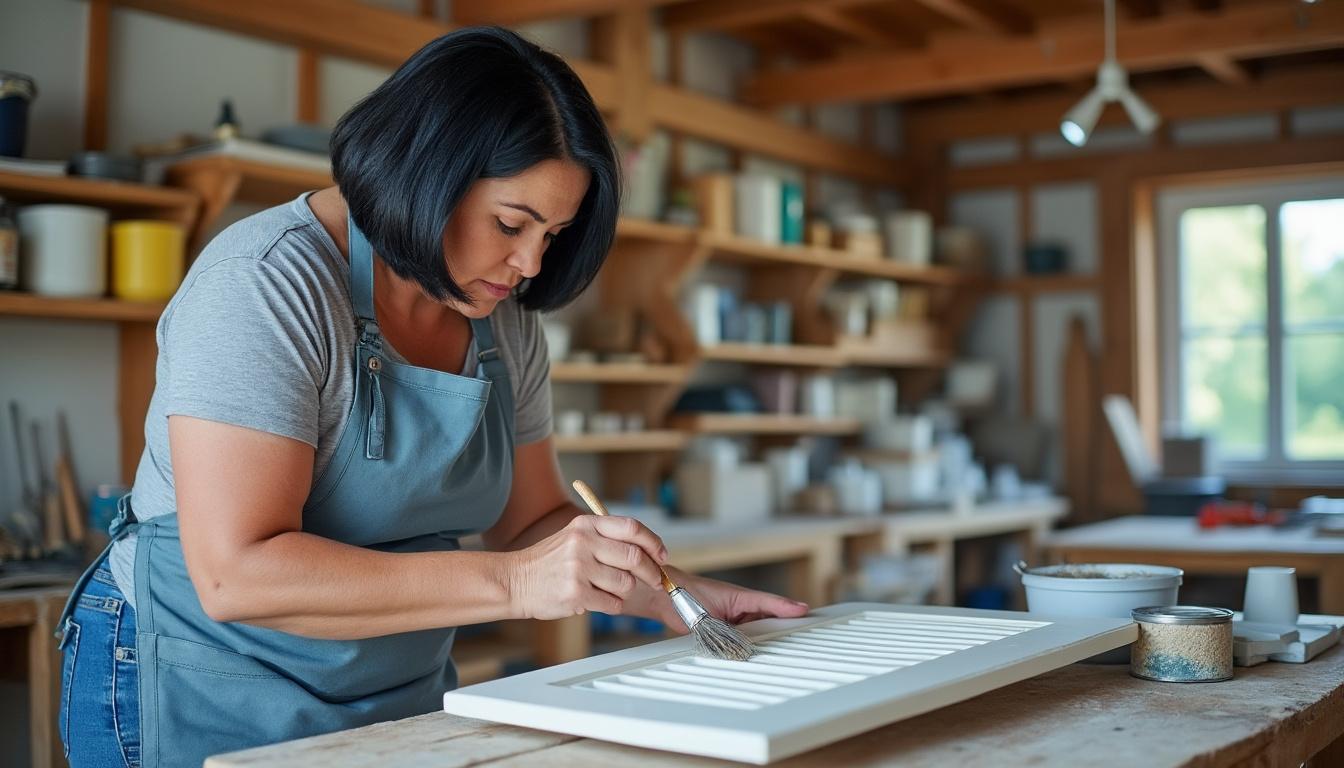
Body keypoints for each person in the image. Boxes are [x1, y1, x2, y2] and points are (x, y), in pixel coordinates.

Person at [57, 26, 808, 768]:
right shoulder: (264, 284)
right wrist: (518, 583)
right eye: (510, 224)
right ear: (424, 173)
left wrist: (674, 596)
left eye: (552, 234)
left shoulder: (501, 318)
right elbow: (238, 574)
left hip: (389, 693)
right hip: (199, 684)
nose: (529, 263)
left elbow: (531, 520)